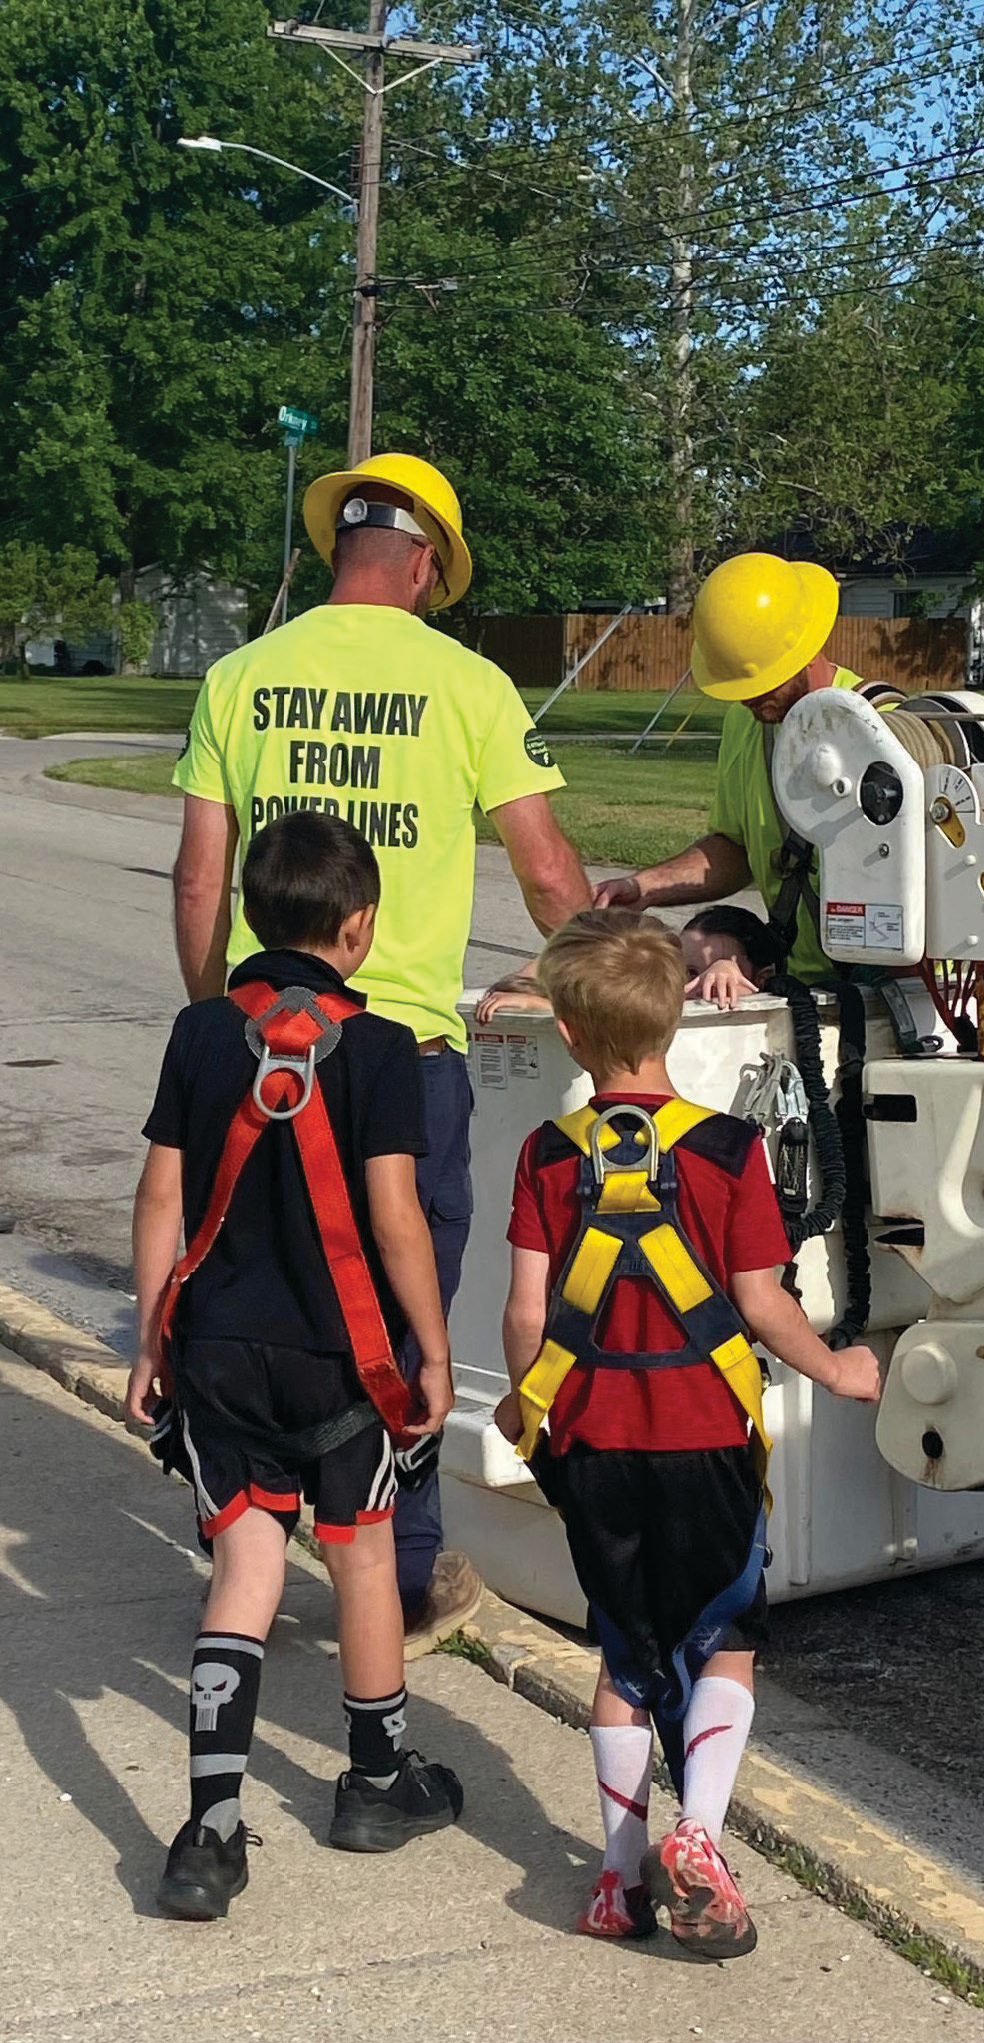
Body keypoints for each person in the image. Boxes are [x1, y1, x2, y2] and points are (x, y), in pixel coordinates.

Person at [170, 452, 592, 1649]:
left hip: (263, 1047)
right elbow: (547, 864)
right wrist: (609, 986)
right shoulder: (466, 684)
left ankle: (244, 1522)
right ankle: (401, 1575)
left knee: (257, 1277)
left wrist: (217, 1028)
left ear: (340, 552)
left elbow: (202, 875)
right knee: (402, 1311)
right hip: (402, 1054)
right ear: (422, 563)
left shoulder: (241, 675)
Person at [494, 910, 881, 1958]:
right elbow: (762, 1304)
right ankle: (700, 1836)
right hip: (706, 1434)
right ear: (675, 1020)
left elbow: (528, 1311)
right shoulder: (728, 1151)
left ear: (569, 1035)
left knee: (624, 1651)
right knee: (726, 1637)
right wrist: (839, 1366)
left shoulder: (545, 1153)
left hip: (593, 1441)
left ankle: (616, 1885)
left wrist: (526, 1399)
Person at [127, 812, 464, 1920]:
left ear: (250, 919)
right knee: (362, 1559)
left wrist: (149, 1340)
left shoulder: (200, 1032)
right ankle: (375, 1785)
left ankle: (209, 1834)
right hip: (341, 1361)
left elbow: (163, 1196)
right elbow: (397, 1216)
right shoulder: (376, 1048)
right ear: (360, 928)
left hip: (217, 1350)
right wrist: (434, 1348)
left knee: (245, 1570)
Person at [594, 553, 869, 984]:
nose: (748, 699)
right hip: (803, 983)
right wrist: (644, 887)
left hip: (900, 989)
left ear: (805, 650)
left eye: (761, 684)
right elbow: (736, 849)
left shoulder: (880, 726)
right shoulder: (748, 721)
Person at [476, 903, 777, 1023]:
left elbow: (621, 1024)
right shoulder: (666, 993)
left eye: (710, 978)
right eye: (685, 970)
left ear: (761, 980)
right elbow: (615, 1009)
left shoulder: (766, 1012)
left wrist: (726, 968)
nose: (692, 987)